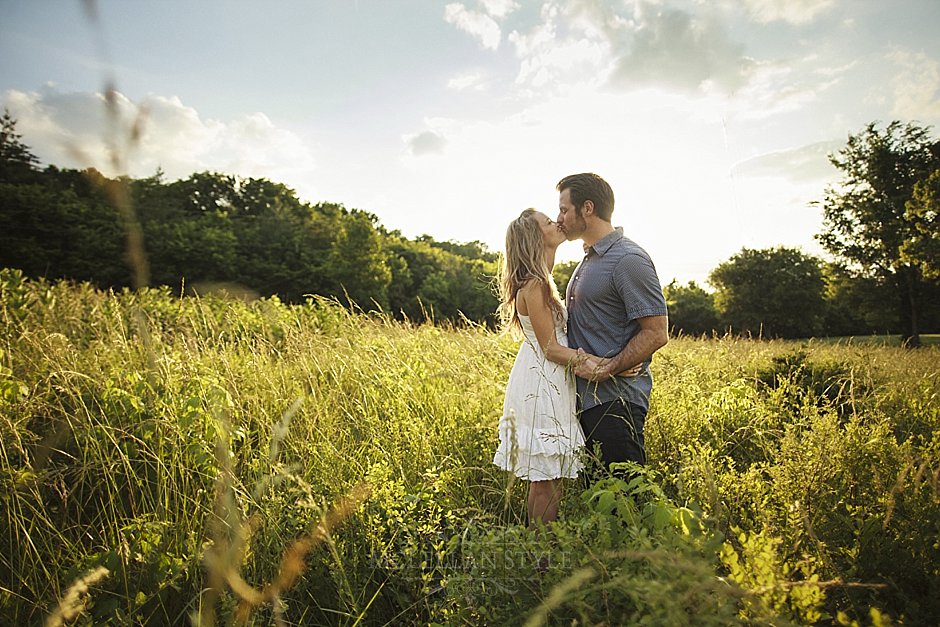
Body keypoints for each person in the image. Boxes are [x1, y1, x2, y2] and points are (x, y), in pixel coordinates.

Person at [492, 208, 640, 525]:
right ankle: (542, 559)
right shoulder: (535, 285)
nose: (557, 222)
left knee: (548, 479)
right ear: (535, 238)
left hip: (549, 379)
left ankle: (540, 552)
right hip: (543, 382)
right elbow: (550, 348)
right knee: (546, 481)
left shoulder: (541, 281)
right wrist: (611, 365)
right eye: (548, 222)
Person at [555, 173, 669, 483]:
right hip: (588, 401)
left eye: (565, 209)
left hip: (616, 402)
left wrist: (611, 368)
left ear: (587, 208)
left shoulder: (628, 259)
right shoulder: (587, 261)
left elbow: (657, 331)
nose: (559, 218)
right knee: (602, 506)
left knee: (627, 502)